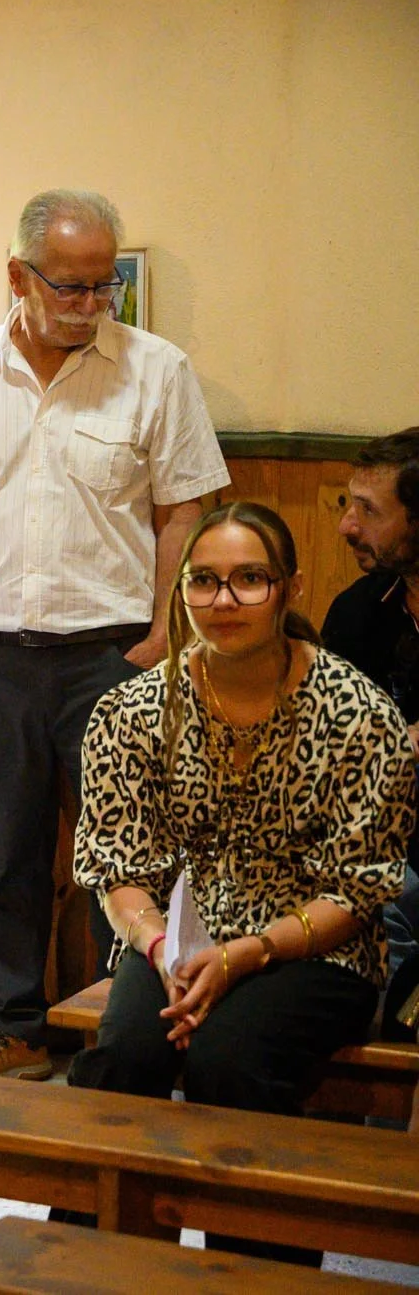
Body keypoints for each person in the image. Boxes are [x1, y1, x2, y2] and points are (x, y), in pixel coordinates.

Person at [0, 189, 232, 1087]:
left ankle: (111, 1038)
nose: (90, 304)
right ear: (18, 276)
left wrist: (162, 636)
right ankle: (13, 1026)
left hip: (115, 657)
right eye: (71, 288)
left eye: (103, 287)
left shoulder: (157, 371)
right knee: (8, 856)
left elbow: (183, 513)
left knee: (120, 856)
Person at [66, 502, 413, 1266]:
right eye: (206, 582)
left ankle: (253, 1276)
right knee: (126, 1051)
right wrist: (162, 948)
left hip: (314, 946)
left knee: (233, 1058)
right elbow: (120, 871)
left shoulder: (359, 715)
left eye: (249, 580)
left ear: (288, 590)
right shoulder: (131, 711)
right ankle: (89, 1270)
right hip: (175, 941)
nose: (224, 602)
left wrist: (243, 955)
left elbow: (357, 892)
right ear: (181, 593)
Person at [320, 426, 419, 1040]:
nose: (347, 526)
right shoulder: (360, 610)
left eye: (369, 510)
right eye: (346, 504)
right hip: (371, 848)